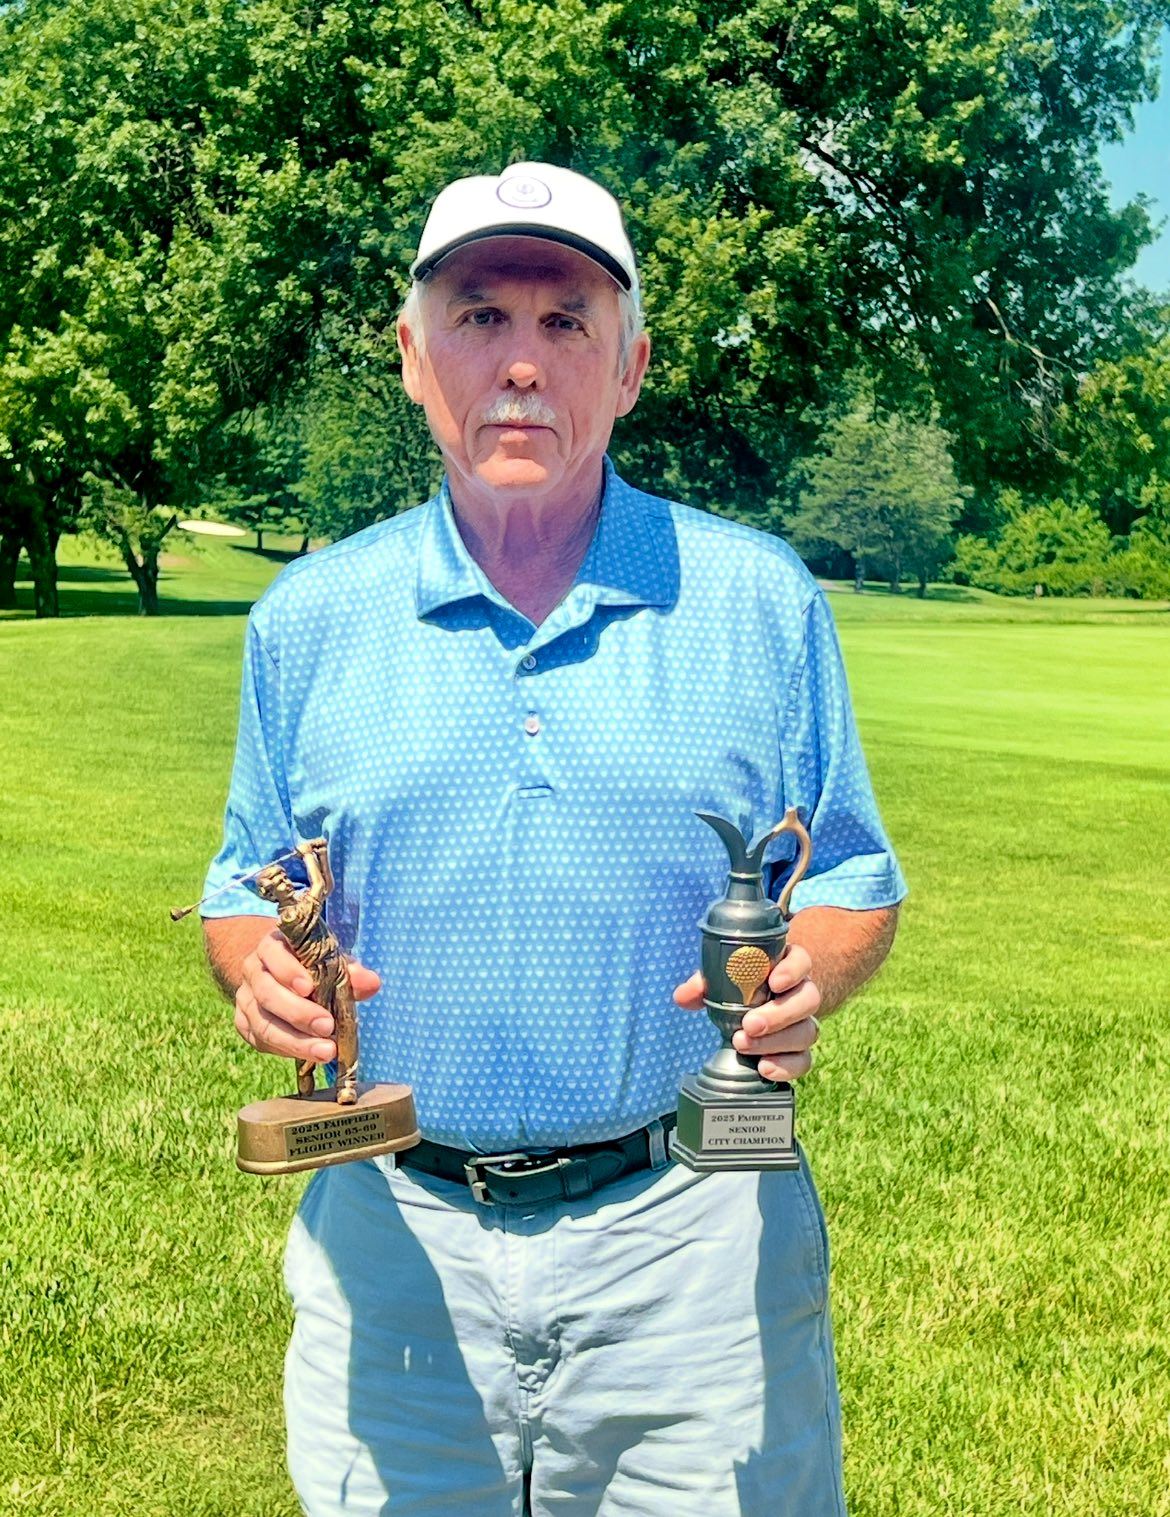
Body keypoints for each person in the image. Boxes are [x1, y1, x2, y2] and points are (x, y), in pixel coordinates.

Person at [202, 161, 907, 1517]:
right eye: (478, 317)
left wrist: (810, 967)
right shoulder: (306, 620)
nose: (519, 363)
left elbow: (854, 874)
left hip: (688, 1234)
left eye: (565, 321)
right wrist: (257, 970)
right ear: (413, 359)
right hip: (394, 1239)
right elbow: (245, 881)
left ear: (631, 364)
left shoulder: (753, 599)